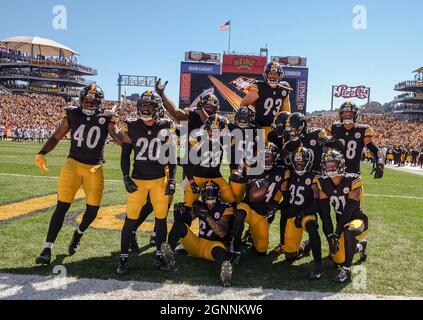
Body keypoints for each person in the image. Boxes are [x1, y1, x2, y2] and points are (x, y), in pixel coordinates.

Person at [35, 84, 124, 264]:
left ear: (99, 102)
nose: (90, 104)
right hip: (73, 166)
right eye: (87, 100)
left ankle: (78, 234)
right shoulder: (73, 114)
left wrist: (131, 137)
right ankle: (47, 248)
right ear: (81, 100)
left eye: (93, 101)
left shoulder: (107, 118)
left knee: (92, 212)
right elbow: (55, 137)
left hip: (94, 169)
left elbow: (119, 139)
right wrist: (42, 152)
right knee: (61, 207)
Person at [117, 90, 176, 274]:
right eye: (142, 105)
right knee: (130, 220)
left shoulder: (166, 126)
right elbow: (125, 155)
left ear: (156, 108)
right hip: (138, 179)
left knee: (161, 220)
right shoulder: (132, 126)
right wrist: (126, 176)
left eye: (148, 106)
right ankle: (123, 258)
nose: (144, 109)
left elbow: (171, 156)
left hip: (159, 179)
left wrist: (172, 180)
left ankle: (159, 254)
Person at [161, 181, 234, 287]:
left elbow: (222, 233)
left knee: (220, 253)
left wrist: (207, 216)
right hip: (198, 244)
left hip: (214, 245)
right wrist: (178, 213)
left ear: (218, 194)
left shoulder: (226, 208)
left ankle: (223, 275)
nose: (209, 196)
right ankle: (168, 256)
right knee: (179, 225)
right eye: (207, 194)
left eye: (212, 193)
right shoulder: (199, 205)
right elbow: (186, 220)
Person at [317, 149, 368, 283]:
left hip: (357, 221)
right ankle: (360, 246)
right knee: (337, 260)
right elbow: (325, 214)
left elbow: (348, 211)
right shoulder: (323, 183)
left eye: (333, 164)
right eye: (327, 165)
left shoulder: (353, 180)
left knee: (348, 231)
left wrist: (337, 233)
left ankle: (346, 270)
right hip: (342, 223)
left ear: (340, 164)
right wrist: (330, 236)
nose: (330, 168)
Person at [281, 147, 322, 280]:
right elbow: (286, 196)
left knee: (312, 227)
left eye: (302, 162)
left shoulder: (313, 177)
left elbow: (317, 202)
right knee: (290, 256)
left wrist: (305, 213)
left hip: (306, 213)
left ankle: (317, 264)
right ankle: (306, 244)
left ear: (308, 162)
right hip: (293, 215)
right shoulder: (290, 174)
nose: (299, 165)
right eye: (297, 162)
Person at [240, 62, 292, 141]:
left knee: (275, 152)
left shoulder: (284, 89)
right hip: (259, 126)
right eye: (271, 73)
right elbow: (243, 105)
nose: (273, 76)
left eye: (275, 74)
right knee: (258, 152)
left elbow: (286, 113)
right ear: (266, 74)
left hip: (275, 129)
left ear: (279, 75)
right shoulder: (259, 87)